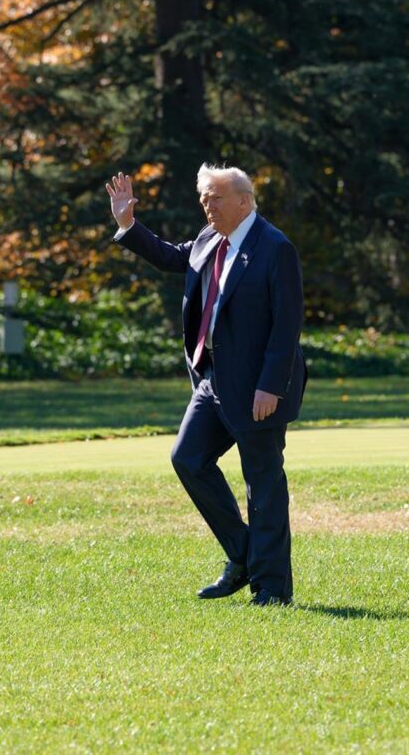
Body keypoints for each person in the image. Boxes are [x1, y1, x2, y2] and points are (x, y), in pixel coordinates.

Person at [105, 164, 306, 606]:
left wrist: (270, 386)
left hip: (259, 388)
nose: (206, 205)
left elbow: (286, 325)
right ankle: (244, 555)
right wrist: (128, 225)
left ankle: (272, 590)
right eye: (203, 197)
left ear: (243, 201)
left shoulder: (275, 248)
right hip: (213, 380)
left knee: (263, 486)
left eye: (214, 197)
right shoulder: (207, 239)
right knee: (188, 458)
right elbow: (171, 258)